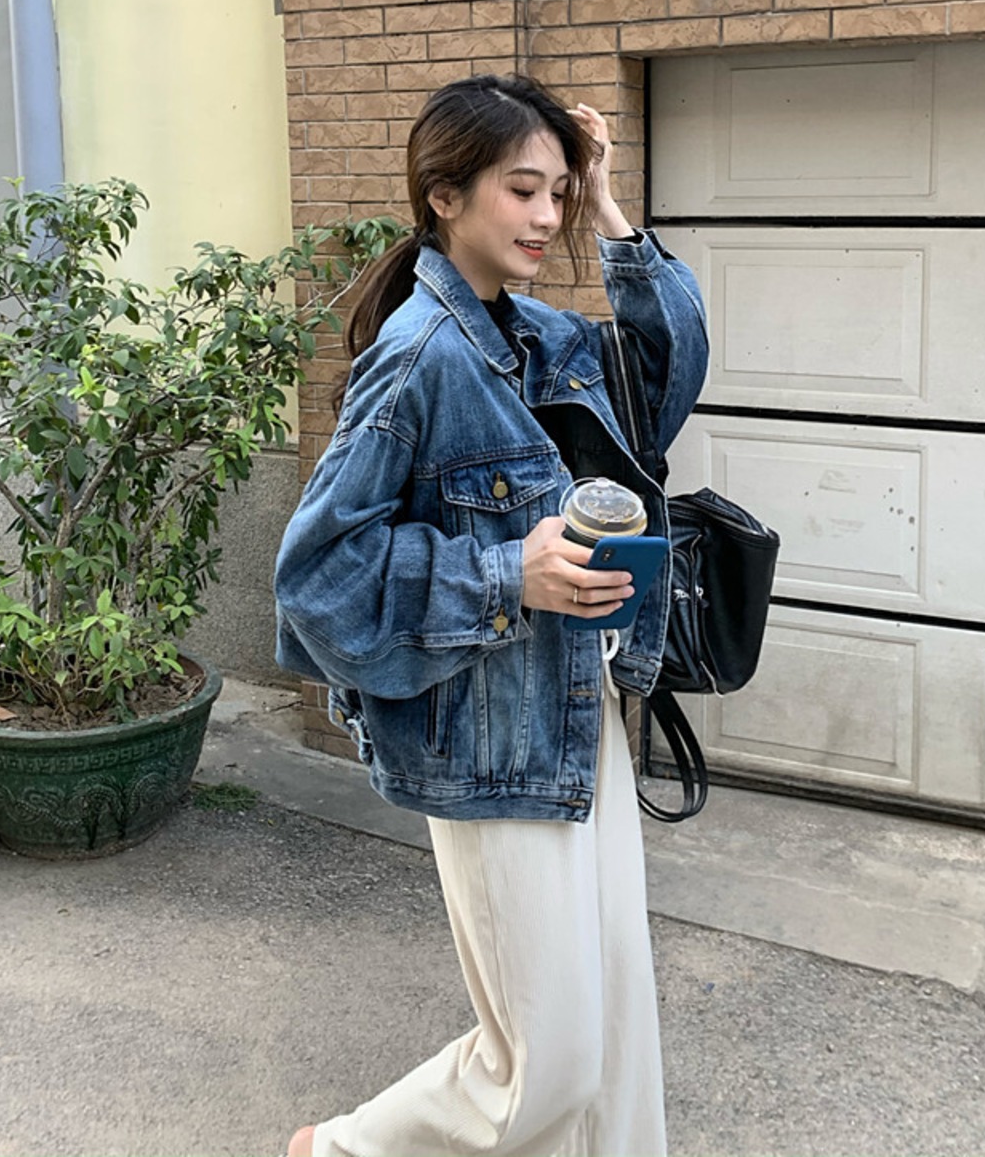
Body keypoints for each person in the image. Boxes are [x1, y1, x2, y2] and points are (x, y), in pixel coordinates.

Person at [273, 74, 708, 1157]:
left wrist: (608, 201)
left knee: (616, 1030)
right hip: (489, 741)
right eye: (524, 190)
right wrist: (509, 571)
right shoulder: (419, 357)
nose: (546, 216)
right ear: (444, 196)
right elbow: (317, 578)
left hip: (581, 715)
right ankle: (339, 1152)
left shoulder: (532, 335)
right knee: (547, 1064)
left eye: (558, 192)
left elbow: (666, 372)